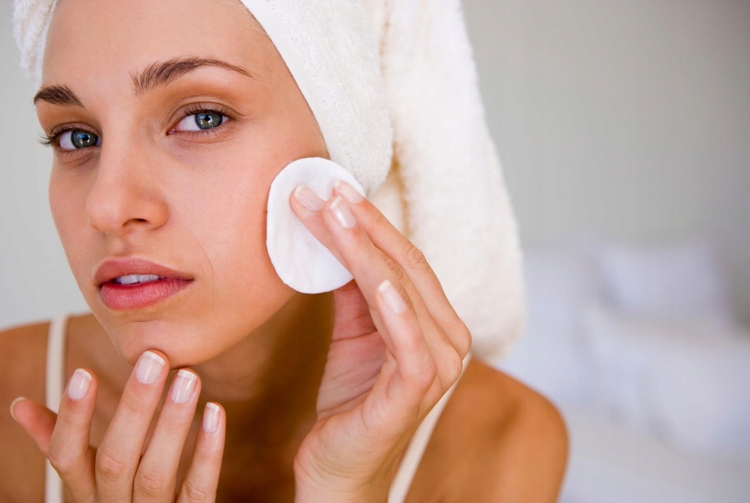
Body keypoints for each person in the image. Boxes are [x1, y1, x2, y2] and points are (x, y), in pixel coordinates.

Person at [0, 0, 569, 501]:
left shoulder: (500, 443)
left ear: (340, 150)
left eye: (202, 118)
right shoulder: (9, 414)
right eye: (77, 136)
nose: (106, 205)